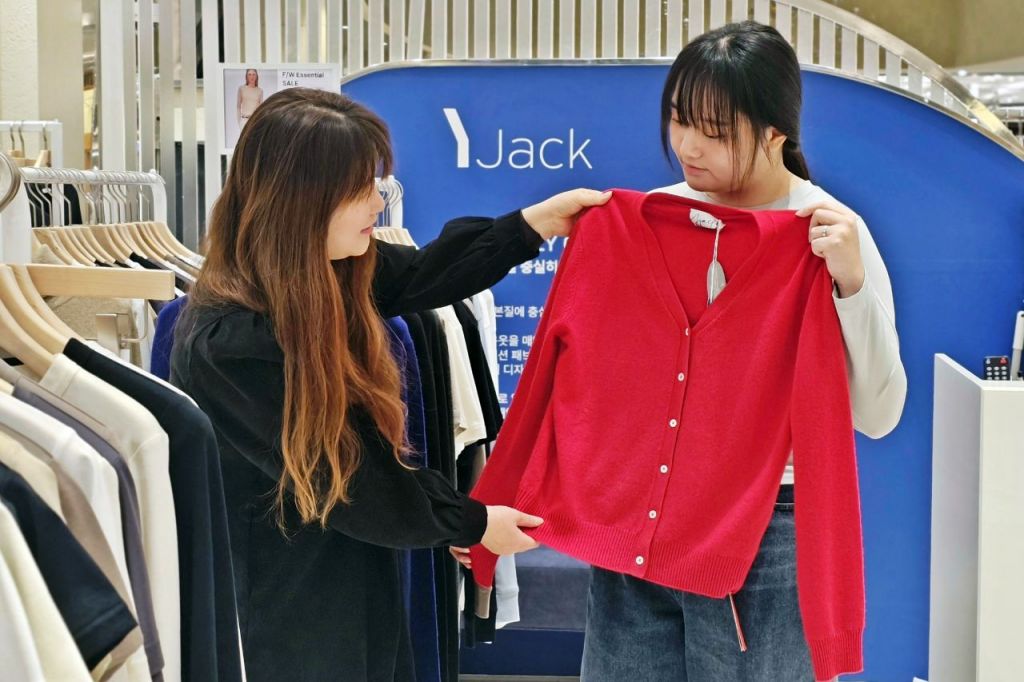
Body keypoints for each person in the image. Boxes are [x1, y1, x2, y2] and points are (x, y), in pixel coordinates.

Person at [170, 86, 610, 681]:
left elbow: (426, 271)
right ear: (302, 201)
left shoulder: (324, 278)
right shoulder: (234, 344)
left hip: (347, 579)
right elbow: (354, 481)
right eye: (361, 188)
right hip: (285, 613)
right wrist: (473, 523)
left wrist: (535, 224)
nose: (379, 201)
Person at [578, 21, 906, 681]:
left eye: (716, 131)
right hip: (644, 514)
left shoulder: (828, 233)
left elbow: (879, 413)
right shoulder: (653, 220)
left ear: (775, 133)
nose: (687, 146)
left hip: (764, 527)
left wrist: (850, 286)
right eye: (679, 119)